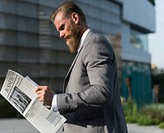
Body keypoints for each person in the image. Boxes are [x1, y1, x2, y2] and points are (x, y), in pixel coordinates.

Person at [35, 1, 128, 133]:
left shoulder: (95, 43)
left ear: (75, 18)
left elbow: (102, 92)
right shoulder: (85, 48)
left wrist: (56, 100)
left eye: (62, 27)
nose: (60, 35)